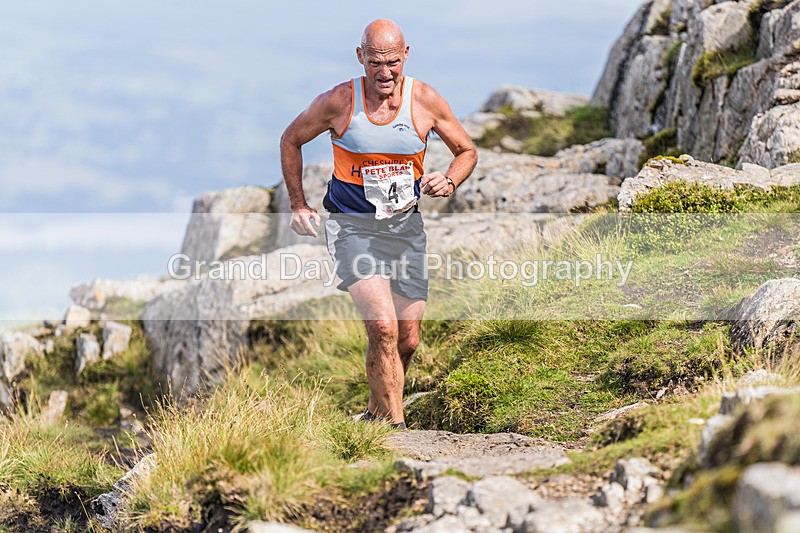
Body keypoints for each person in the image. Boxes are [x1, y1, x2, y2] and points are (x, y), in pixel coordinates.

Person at [280, 18, 477, 428]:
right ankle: (397, 429)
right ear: (360, 57)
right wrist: (299, 204)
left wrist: (450, 178)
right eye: (375, 62)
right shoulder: (338, 101)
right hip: (353, 228)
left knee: (407, 338)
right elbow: (291, 139)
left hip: (405, 229)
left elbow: (466, 151)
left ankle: (373, 412)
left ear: (406, 55)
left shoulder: (424, 100)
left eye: (392, 62)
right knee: (383, 327)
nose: (384, 73)